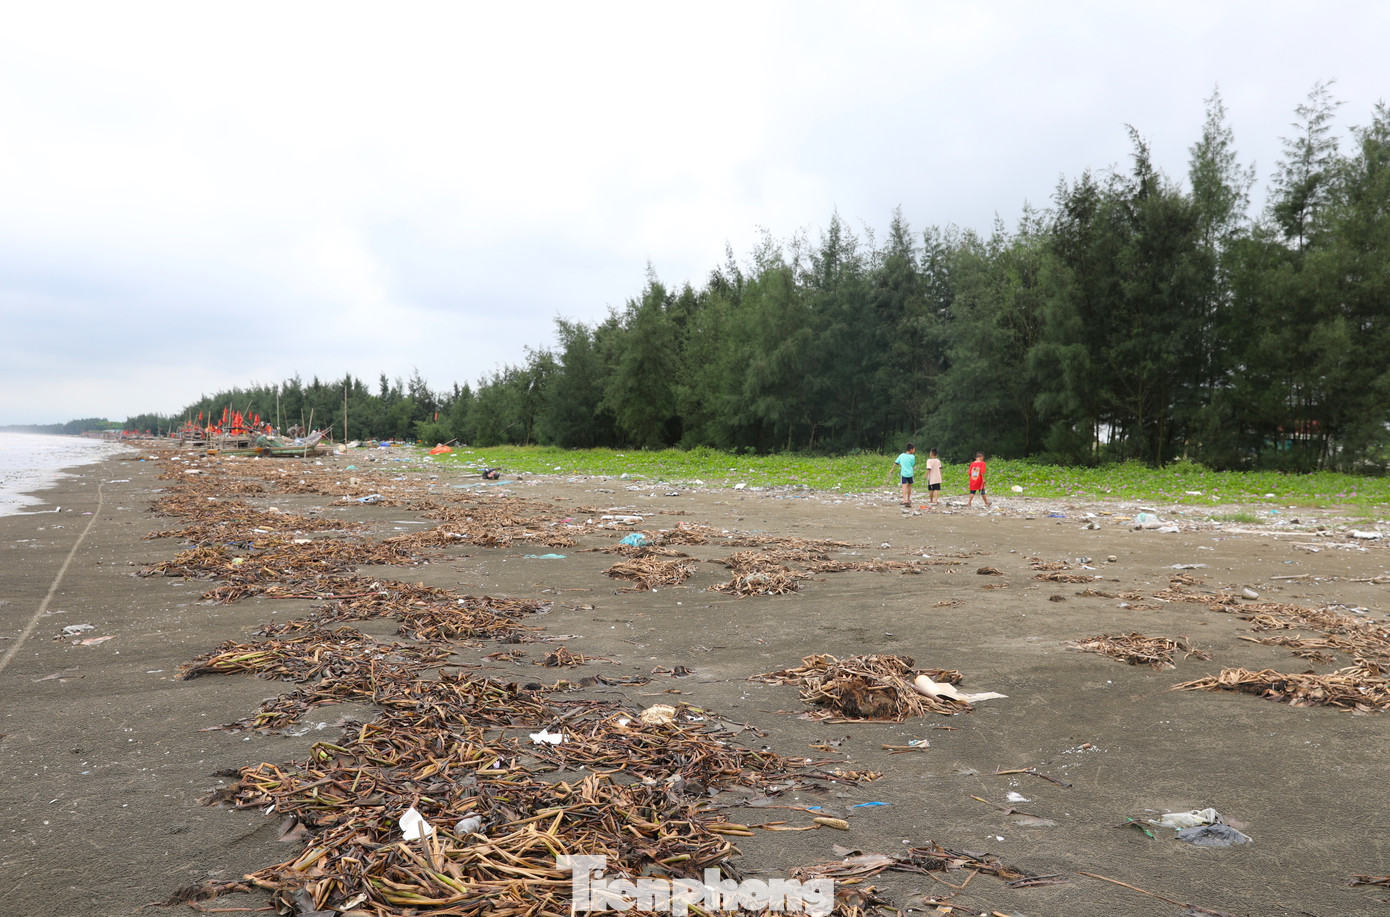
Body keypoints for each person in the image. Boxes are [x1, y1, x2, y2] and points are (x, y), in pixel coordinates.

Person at [893, 443, 917, 507]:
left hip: (903, 473)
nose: (914, 450)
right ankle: (908, 499)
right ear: (911, 449)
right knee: (909, 486)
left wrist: (892, 470)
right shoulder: (912, 457)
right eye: (914, 449)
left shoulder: (901, 455)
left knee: (904, 486)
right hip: (910, 473)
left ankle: (904, 500)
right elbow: (912, 464)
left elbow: (896, 463)